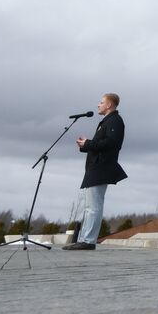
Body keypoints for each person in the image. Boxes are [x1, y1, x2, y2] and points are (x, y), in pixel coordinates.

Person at [64, 92, 127, 250]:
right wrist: (86, 145)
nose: (98, 105)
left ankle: (88, 240)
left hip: (101, 168)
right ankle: (85, 238)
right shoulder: (106, 121)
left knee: (94, 206)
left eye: (101, 102)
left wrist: (89, 143)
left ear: (109, 105)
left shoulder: (115, 121)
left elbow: (112, 143)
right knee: (89, 206)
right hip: (95, 168)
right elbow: (100, 145)